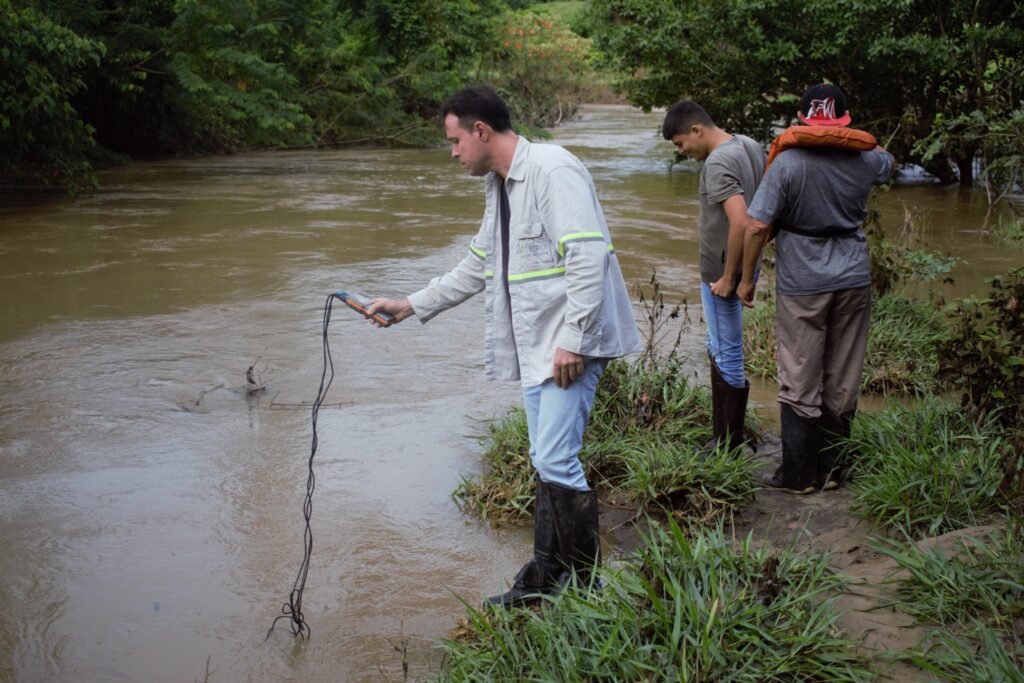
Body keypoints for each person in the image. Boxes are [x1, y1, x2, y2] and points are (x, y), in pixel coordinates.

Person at [366, 85, 641, 607]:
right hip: (542, 347)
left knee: (557, 458)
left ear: (480, 131)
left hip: (567, 345)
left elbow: (588, 256)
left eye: (453, 141)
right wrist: (411, 304)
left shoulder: (552, 170)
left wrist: (575, 341)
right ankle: (548, 575)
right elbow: (477, 263)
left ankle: (579, 587)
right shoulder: (500, 185)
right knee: (546, 458)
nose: (452, 153)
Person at [737, 83, 894, 494]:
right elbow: (887, 162)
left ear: (804, 118)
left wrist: (747, 278)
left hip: (803, 283)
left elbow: (755, 226)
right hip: (853, 276)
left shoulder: (788, 166)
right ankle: (833, 471)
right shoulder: (865, 161)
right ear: (843, 121)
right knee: (843, 372)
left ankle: (799, 475)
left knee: (799, 371)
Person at [661, 101, 765, 453]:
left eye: (679, 143)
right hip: (737, 268)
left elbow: (741, 220)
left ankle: (727, 444)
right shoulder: (748, 145)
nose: (682, 151)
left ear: (696, 130)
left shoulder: (718, 162)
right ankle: (727, 436)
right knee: (723, 347)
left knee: (727, 353)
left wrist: (728, 277)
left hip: (722, 276)